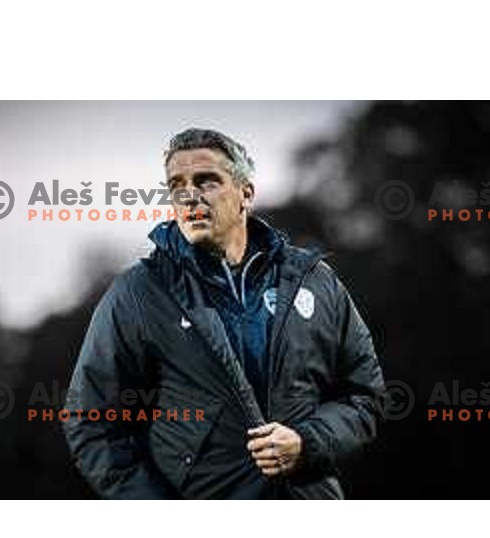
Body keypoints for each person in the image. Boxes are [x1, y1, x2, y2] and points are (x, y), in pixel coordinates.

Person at [64, 128, 385, 499]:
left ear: (245, 193)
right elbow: (91, 422)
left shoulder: (315, 282)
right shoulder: (136, 294)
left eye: (206, 181)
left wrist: (307, 441)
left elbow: (364, 395)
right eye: (177, 186)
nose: (190, 196)